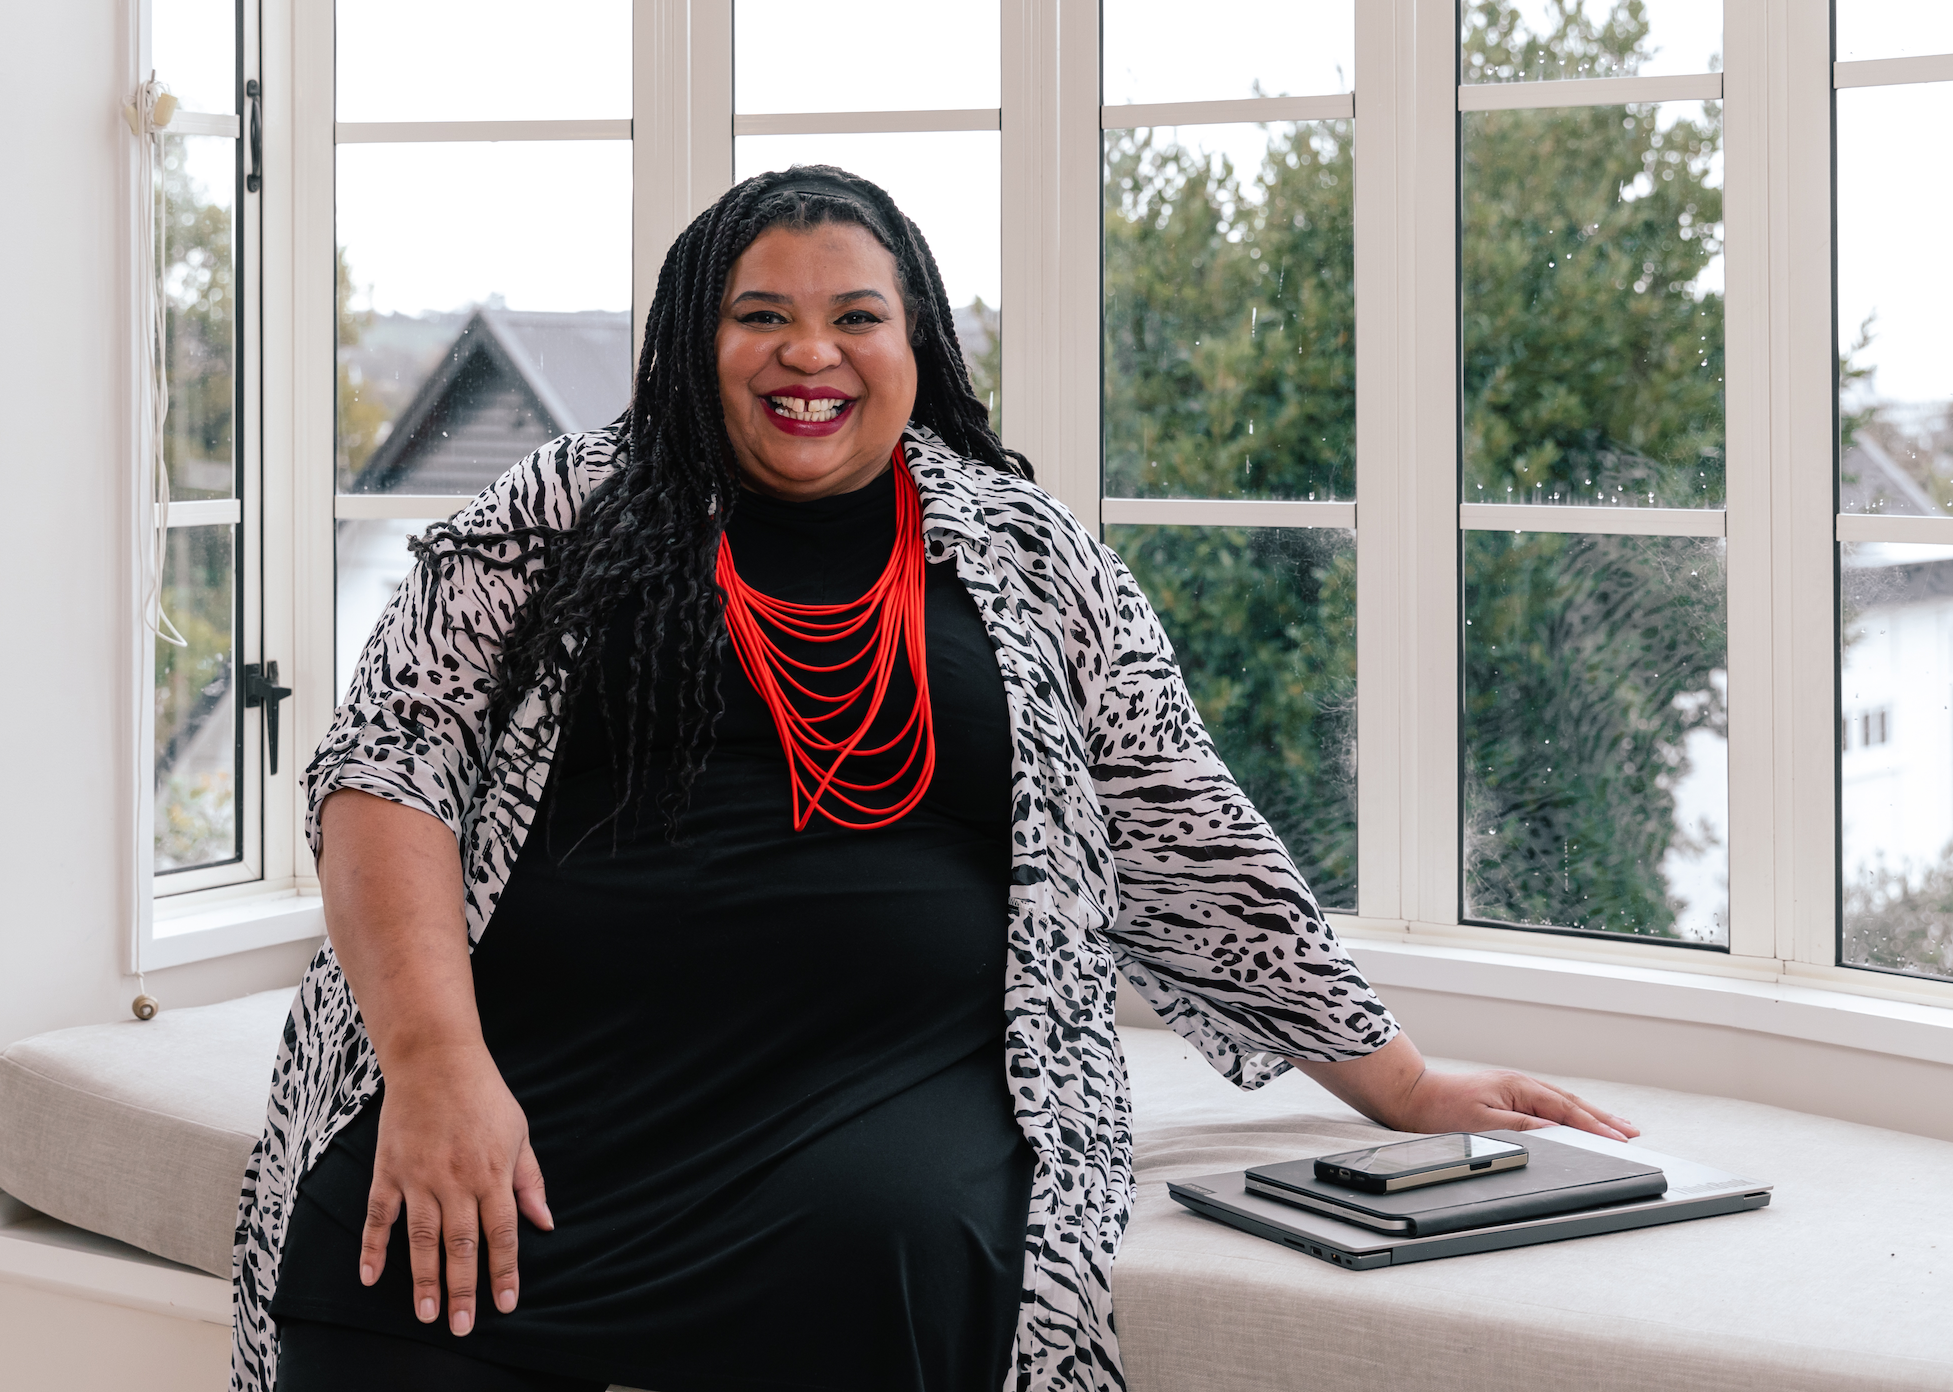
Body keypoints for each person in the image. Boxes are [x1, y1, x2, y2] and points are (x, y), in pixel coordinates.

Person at [232, 165, 1637, 1392]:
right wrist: (433, 1066)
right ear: (691, 343)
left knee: (900, 1252)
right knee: (394, 1255)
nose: (811, 354)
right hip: (525, 1077)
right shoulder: (553, 513)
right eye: (761, 315)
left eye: (857, 316)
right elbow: (386, 767)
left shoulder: (1031, 553)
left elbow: (1185, 833)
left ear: (917, 343)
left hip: (883, 1089)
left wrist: (1397, 1085)